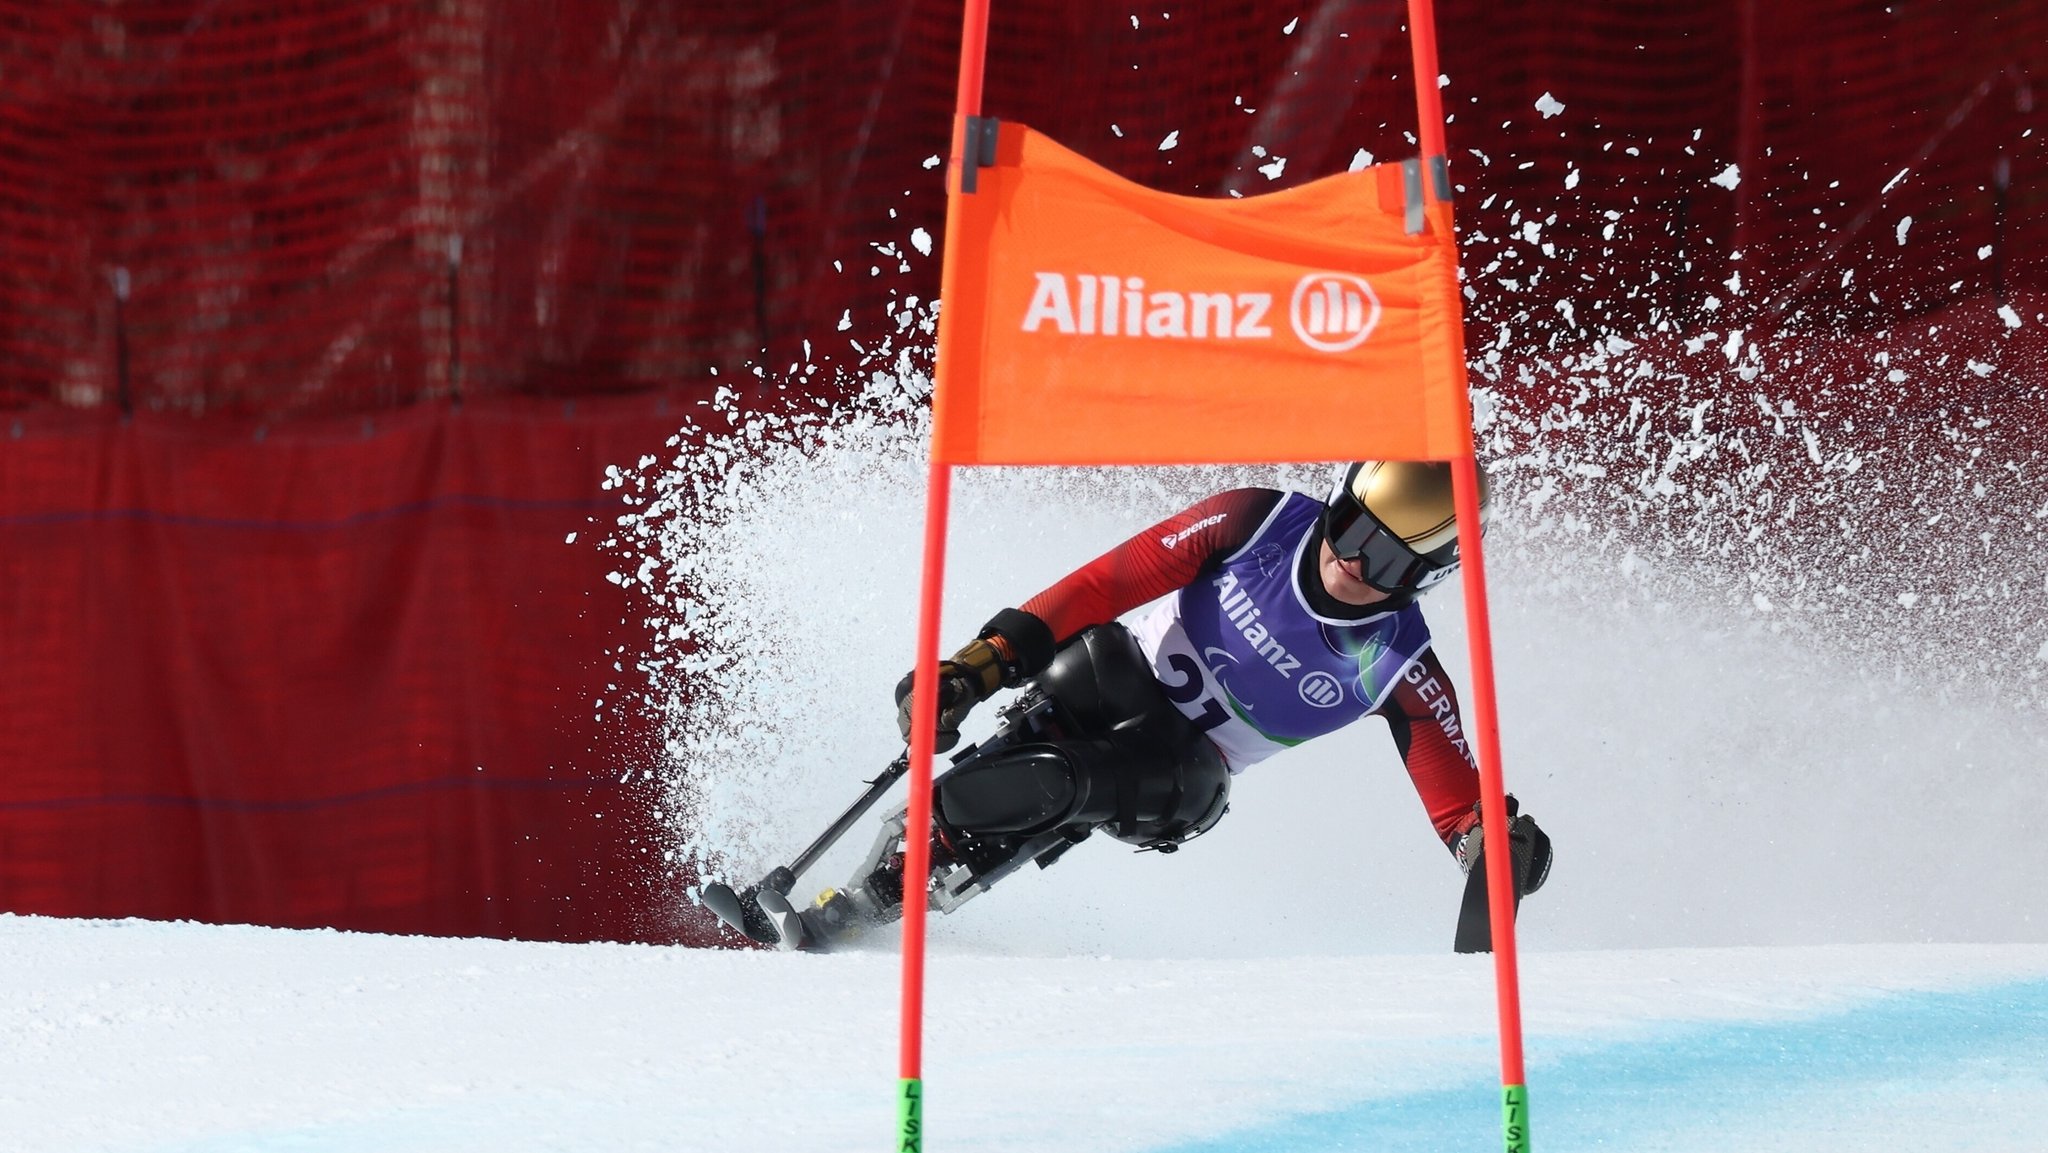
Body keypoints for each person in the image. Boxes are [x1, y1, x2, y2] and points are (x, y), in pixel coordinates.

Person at [760, 460, 1552, 949]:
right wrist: (982, 664)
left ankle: (857, 913)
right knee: (1077, 672)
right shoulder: (1261, 520)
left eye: (1381, 554)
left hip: (1180, 773)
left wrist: (1497, 845)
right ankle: (862, 877)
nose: (1348, 556)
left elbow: (1461, 809)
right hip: (1113, 678)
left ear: (1426, 574)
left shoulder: (1399, 662)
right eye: (1348, 523)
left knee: (1071, 781)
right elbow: (1106, 583)